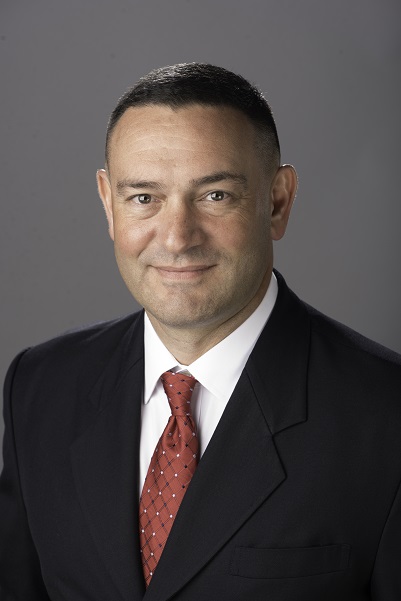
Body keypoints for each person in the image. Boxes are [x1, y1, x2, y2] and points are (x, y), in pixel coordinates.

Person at [0, 63, 400, 601]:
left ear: (277, 201)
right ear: (108, 204)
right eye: (144, 198)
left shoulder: (387, 417)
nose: (177, 238)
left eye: (215, 196)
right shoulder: (40, 386)